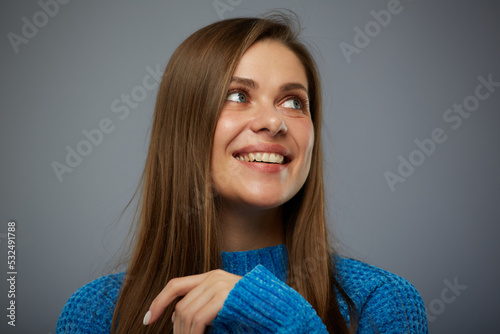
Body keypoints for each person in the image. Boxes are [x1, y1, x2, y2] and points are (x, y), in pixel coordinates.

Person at [56, 13, 428, 334]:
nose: (273, 121)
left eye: (293, 101)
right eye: (237, 95)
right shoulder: (97, 314)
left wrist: (280, 314)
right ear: (183, 126)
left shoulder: (382, 302)